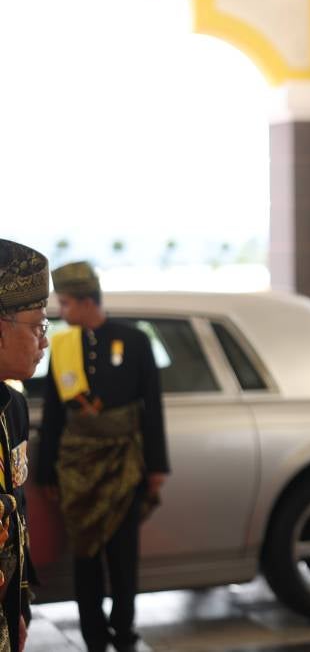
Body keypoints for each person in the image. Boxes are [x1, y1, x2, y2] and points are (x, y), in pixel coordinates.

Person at [36, 262, 169, 652]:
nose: (61, 312)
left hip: (124, 462)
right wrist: (47, 474)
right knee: (85, 554)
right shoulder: (62, 345)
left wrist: (157, 465)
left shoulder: (134, 340)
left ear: (87, 300)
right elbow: (56, 412)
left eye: (65, 303)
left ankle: (124, 630)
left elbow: (152, 407)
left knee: (123, 554)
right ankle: (93, 635)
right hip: (76, 468)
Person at [0, 239, 48, 652]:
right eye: (38, 327)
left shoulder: (13, 406)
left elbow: (17, 510)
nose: (44, 343)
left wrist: (15, 604)